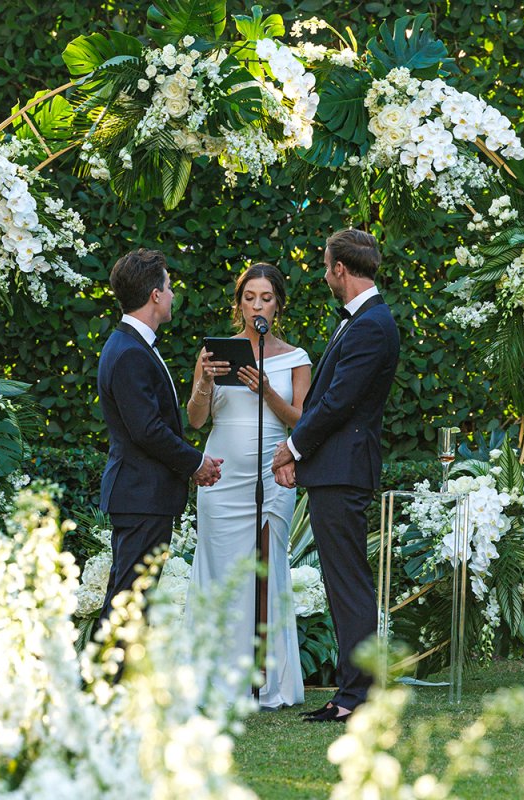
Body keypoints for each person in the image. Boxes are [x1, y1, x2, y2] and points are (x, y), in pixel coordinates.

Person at [272, 229, 400, 722]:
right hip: (336, 470)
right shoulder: (365, 320)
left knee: (348, 583)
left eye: (327, 266)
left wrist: (292, 447)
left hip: (343, 472)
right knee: (346, 581)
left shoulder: (371, 324)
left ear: (340, 270)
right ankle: (355, 690)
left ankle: (356, 695)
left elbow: (337, 403)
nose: (325, 274)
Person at [185, 263, 312, 709]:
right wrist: (202, 380)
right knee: (223, 573)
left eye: (266, 298)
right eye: (249, 297)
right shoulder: (217, 351)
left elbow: (305, 421)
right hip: (222, 478)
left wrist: (266, 393)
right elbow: (196, 420)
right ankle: (217, 680)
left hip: (272, 475)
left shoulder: (295, 358)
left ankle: (266, 682)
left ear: (278, 305)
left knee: (265, 573)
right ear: (239, 302)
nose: (257, 305)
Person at [96, 248, 223, 629]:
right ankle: (104, 684)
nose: (171, 295)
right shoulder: (131, 352)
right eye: (168, 287)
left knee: (128, 596)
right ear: (154, 294)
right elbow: (147, 430)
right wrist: (196, 462)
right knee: (129, 600)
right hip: (141, 494)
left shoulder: (130, 345)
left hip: (141, 494)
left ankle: (109, 683)